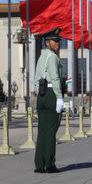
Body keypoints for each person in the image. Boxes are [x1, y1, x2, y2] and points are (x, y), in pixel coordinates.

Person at [34, 28, 64, 174]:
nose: (58, 43)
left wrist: (38, 93)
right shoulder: (52, 57)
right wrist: (59, 97)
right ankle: (50, 165)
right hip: (51, 93)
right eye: (55, 41)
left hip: (41, 95)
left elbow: (35, 79)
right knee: (51, 131)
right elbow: (55, 78)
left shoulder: (41, 57)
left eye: (58, 40)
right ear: (47, 43)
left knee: (42, 131)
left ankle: (39, 165)